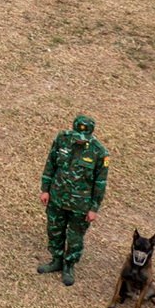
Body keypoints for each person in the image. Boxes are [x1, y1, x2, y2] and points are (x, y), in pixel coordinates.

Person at [39, 114, 109, 286]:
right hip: (57, 198)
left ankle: (69, 266)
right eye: (77, 137)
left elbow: (100, 183)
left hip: (80, 205)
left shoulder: (99, 153)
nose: (79, 141)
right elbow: (51, 165)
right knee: (54, 230)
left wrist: (94, 208)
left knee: (75, 237)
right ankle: (56, 260)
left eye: (83, 138)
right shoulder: (62, 140)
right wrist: (45, 189)